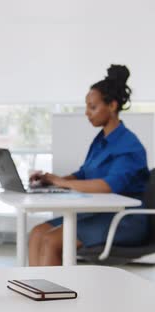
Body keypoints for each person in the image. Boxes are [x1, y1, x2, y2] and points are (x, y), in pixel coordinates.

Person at [28, 64, 150, 266]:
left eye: (92, 107)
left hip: (124, 220)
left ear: (112, 106)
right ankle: (34, 290)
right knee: (37, 233)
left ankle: (55, 297)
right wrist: (52, 179)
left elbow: (107, 186)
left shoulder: (130, 146)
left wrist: (62, 183)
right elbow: (84, 173)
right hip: (99, 213)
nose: (87, 113)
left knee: (51, 240)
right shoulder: (101, 139)